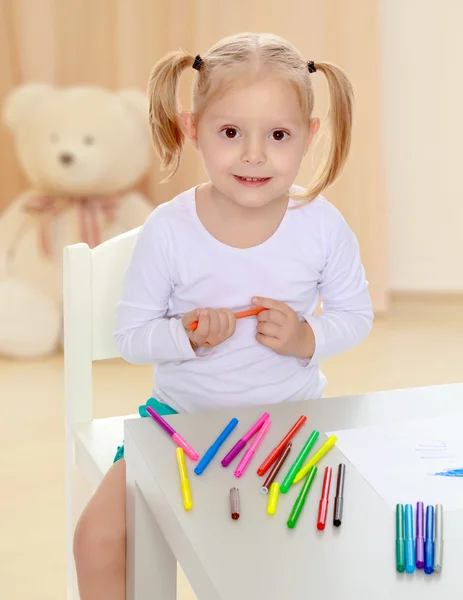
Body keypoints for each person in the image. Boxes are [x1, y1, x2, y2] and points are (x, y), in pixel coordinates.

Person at [73, 32, 373, 599]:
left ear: (308, 137)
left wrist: (306, 337)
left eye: (278, 135)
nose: (254, 155)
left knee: (290, 556)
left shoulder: (322, 224)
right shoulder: (169, 229)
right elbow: (132, 337)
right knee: (97, 538)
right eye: (230, 133)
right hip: (177, 424)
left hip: (289, 426)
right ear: (193, 129)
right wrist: (185, 337)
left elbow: (354, 316)